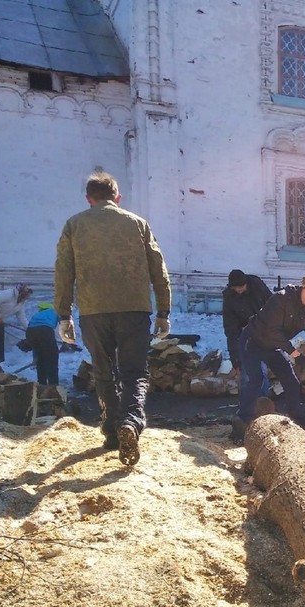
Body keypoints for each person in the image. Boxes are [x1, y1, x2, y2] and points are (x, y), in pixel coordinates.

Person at [55, 171, 172, 466]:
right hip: (134, 309)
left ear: (89, 199)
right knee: (134, 373)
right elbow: (159, 270)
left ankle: (110, 431)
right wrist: (163, 311)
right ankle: (130, 423)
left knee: (104, 371)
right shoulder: (137, 224)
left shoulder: (74, 225)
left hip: (93, 310)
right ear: (117, 198)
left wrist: (64, 314)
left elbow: (63, 273)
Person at [231, 273, 305, 443]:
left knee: (291, 382)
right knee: (256, 379)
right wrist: (295, 354)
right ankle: (241, 422)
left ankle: (297, 420)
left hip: (272, 346)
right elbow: (273, 331)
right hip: (252, 341)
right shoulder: (281, 299)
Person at [222, 269, 272, 375]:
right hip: (247, 331)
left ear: (246, 283)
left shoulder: (257, 286)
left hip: (266, 327)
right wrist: (235, 360)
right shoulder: (230, 299)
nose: (239, 290)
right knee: (249, 364)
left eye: (241, 287)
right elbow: (231, 330)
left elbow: (272, 304)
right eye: (236, 288)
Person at [0, 283, 33, 372]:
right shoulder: (6, 294)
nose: (27, 298)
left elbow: (21, 317)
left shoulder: (21, 302)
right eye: (26, 295)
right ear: (22, 292)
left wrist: (30, 329)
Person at [25, 302, 60, 386]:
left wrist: (35, 356)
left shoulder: (38, 315)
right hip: (45, 330)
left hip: (30, 332)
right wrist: (67, 340)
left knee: (40, 359)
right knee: (52, 358)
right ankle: (53, 385)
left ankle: (41, 384)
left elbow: (30, 327)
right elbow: (64, 324)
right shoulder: (56, 311)